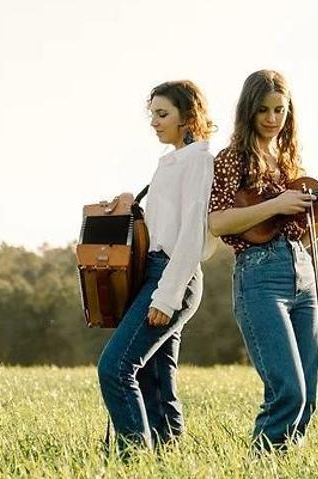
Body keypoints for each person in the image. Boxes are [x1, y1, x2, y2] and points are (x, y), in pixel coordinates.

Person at [208, 69, 318, 453]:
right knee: (288, 393)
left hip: (301, 274)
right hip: (259, 277)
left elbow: (305, 237)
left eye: (280, 110)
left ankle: (284, 464)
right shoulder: (232, 159)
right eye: (263, 110)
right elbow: (217, 220)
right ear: (248, 111)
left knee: (308, 398)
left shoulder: (289, 162)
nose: (272, 119)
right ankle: (259, 465)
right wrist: (275, 204)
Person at [97, 80, 216, 453]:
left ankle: (135, 461)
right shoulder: (173, 160)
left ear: (189, 116)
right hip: (156, 272)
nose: (155, 123)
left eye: (162, 114)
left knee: (115, 369)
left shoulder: (198, 159)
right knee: (155, 381)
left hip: (173, 277)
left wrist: (166, 296)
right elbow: (164, 225)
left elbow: (191, 234)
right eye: (152, 115)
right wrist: (136, 203)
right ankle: (168, 459)